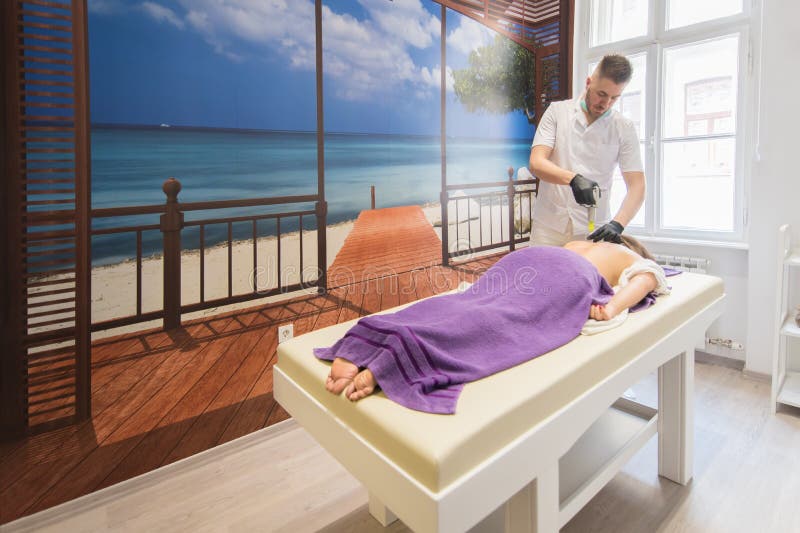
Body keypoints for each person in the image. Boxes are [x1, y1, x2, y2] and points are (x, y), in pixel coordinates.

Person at [318, 236, 668, 411]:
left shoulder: (582, 241)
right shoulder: (633, 257)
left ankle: (370, 338)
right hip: (569, 276)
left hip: (530, 258)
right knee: (498, 321)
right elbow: (646, 281)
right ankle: (404, 357)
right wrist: (610, 309)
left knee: (467, 303)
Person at [522, 54, 645, 246]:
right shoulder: (557, 112)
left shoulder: (624, 127)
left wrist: (618, 224)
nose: (606, 104)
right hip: (549, 226)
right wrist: (573, 179)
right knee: (543, 275)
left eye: (614, 98)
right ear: (589, 83)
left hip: (594, 229)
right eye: (602, 94)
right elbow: (536, 163)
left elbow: (637, 185)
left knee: (588, 276)